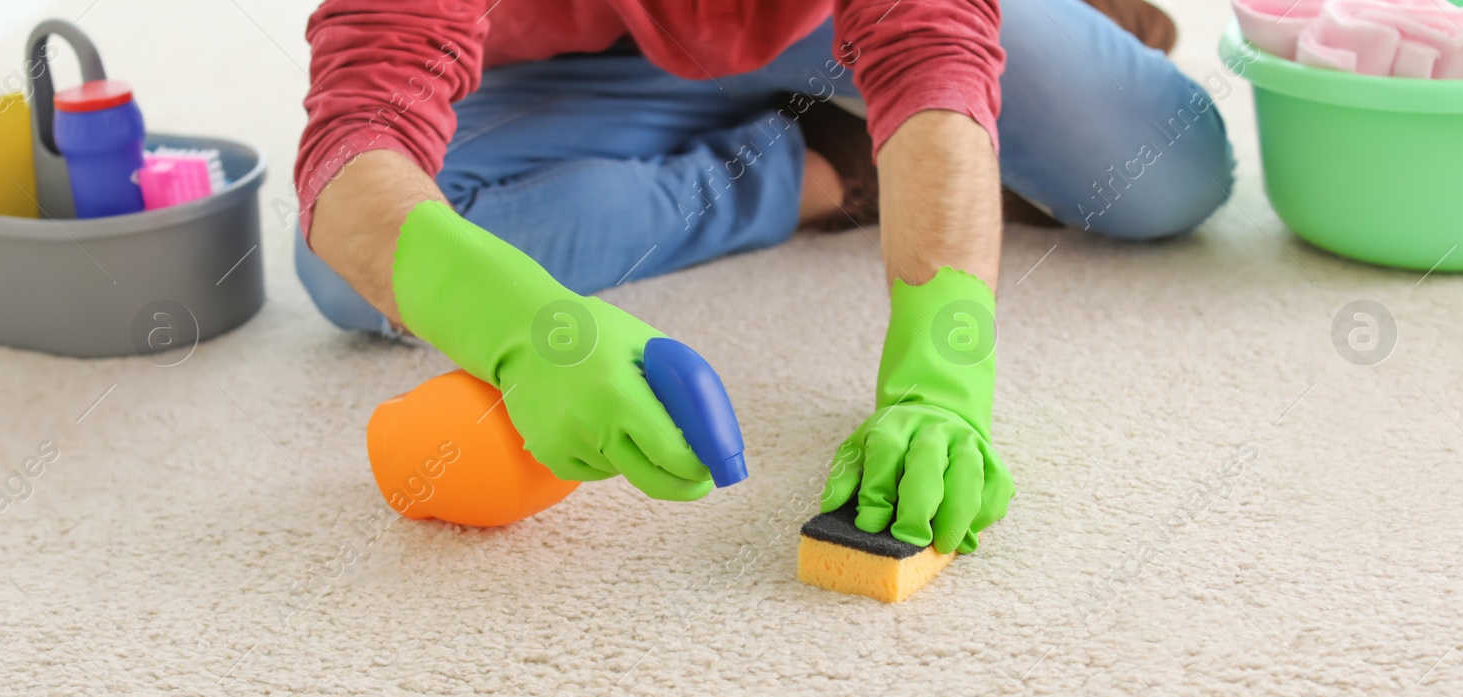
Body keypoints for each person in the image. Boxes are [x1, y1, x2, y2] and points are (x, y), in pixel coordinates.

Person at [295, 0, 1233, 556]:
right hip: (578, 57)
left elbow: (927, 43)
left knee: (1165, 175)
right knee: (343, 273)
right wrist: (523, 325)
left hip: (835, 21)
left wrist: (940, 373)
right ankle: (821, 162)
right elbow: (357, 135)